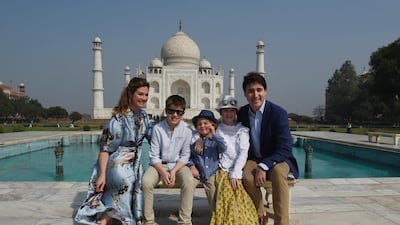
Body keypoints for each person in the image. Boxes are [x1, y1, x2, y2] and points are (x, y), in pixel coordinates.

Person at [75, 77, 153, 225]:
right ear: (130, 94)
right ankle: (106, 221)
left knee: (134, 182)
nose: (144, 98)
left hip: (133, 162)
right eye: (140, 94)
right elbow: (105, 149)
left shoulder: (144, 117)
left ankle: (110, 219)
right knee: (125, 182)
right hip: (117, 161)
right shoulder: (118, 119)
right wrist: (102, 175)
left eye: (146, 94)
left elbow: (155, 136)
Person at [237, 72, 299, 225]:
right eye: (251, 91)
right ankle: (259, 215)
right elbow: (223, 130)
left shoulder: (278, 113)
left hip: (278, 158)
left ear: (265, 91)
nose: (255, 94)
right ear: (245, 94)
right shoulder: (242, 114)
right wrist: (200, 138)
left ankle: (282, 222)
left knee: (278, 173)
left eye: (259, 90)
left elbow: (285, 148)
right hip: (254, 158)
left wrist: (264, 166)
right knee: (247, 176)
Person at [141, 95, 196, 225]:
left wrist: (173, 171)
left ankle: (184, 221)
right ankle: (149, 221)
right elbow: (153, 155)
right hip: (159, 165)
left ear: (183, 113)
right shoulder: (158, 129)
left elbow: (185, 155)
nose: (175, 115)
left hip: (179, 166)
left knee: (188, 181)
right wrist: (163, 172)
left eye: (179, 112)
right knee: (146, 182)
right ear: (166, 111)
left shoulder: (187, 130)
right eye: (171, 111)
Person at [209, 95, 259, 225]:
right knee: (228, 193)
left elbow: (243, 153)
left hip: (238, 169)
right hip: (223, 169)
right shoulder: (216, 129)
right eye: (225, 110)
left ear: (236, 112)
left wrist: (235, 173)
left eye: (232, 110)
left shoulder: (242, 130)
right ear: (220, 112)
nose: (229, 114)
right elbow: (200, 135)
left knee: (238, 192)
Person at [188, 110, 227, 212]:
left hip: (211, 173)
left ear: (213, 125)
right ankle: (185, 214)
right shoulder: (194, 140)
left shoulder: (215, 139)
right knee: (187, 187)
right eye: (199, 124)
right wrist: (191, 166)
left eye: (206, 123)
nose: (202, 126)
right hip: (197, 172)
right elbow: (188, 156)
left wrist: (214, 134)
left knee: (213, 193)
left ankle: (215, 217)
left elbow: (223, 147)